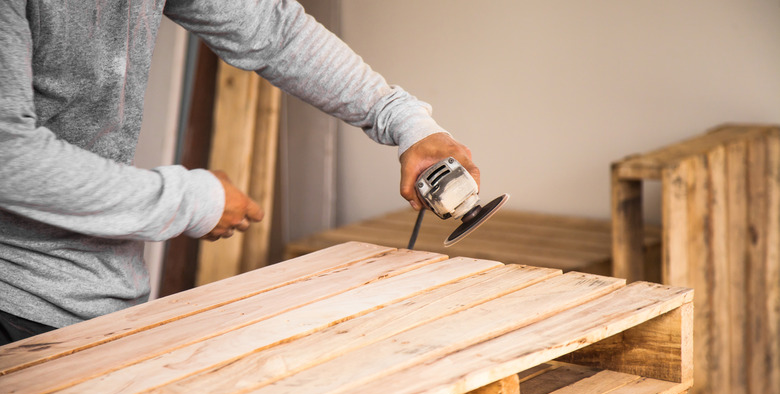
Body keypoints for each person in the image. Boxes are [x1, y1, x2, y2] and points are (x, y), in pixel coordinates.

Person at [0, 0, 479, 345]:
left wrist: (405, 120)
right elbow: (9, 156)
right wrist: (193, 200)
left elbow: (276, 32)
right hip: (14, 298)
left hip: (100, 294)